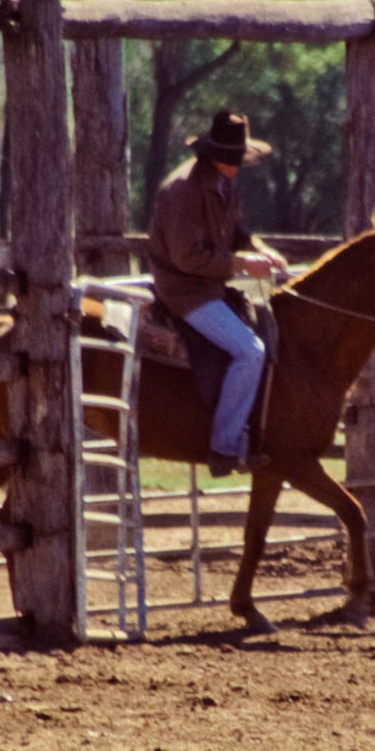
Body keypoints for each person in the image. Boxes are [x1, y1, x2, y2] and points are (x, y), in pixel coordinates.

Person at [147, 109, 289, 479]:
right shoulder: (183, 191)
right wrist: (242, 265)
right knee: (249, 350)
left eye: (237, 158)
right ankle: (223, 446)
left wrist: (261, 249)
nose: (235, 165)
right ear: (211, 154)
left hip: (210, 285)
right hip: (184, 292)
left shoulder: (224, 182)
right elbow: (186, 257)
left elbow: (236, 231)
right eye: (229, 158)